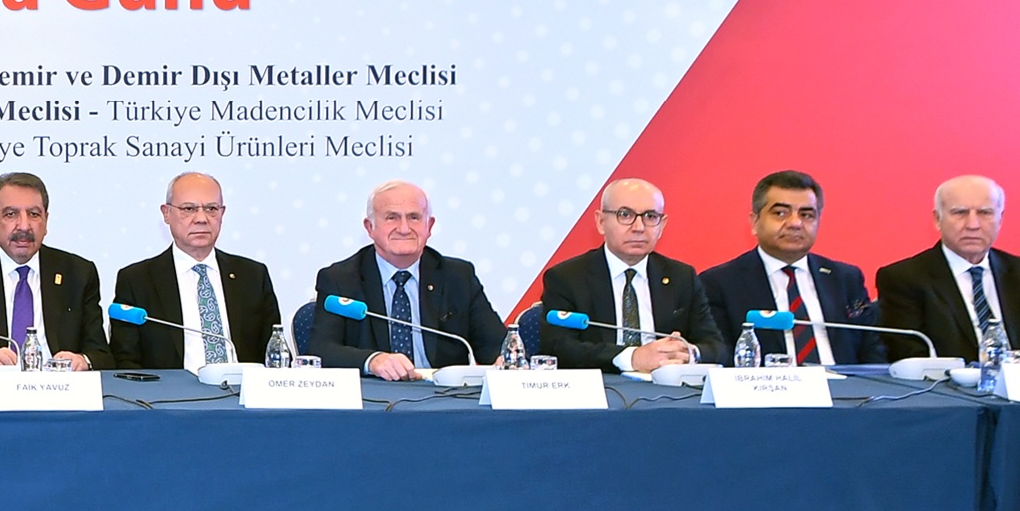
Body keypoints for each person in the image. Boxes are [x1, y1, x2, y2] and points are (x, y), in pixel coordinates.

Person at [309, 180, 507, 378]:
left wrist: (503, 360)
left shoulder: (458, 276)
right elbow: (321, 351)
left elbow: (496, 346)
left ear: (429, 226)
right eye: (392, 218)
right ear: (370, 227)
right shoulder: (340, 279)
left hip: (442, 393)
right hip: (373, 392)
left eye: (414, 217)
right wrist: (372, 360)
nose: (404, 229)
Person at [876, 175, 1020, 363]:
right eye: (960, 213)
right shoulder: (904, 278)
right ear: (937, 219)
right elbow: (910, 356)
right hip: (950, 388)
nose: (973, 225)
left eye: (985, 213)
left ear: (1000, 218)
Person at [0, 172, 109, 371]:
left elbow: (102, 355)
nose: (23, 226)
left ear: (46, 221)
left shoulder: (78, 273)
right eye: (11, 214)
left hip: (59, 387)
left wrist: (83, 360)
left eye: (34, 214)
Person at [538, 177, 722, 369]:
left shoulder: (681, 277)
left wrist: (688, 353)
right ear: (601, 221)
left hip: (666, 384)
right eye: (625, 215)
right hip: (605, 384)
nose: (639, 228)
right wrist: (632, 357)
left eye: (650, 216)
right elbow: (557, 348)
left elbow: (716, 347)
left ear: (662, 225)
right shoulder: (567, 277)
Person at [701, 170, 880, 365]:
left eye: (807, 215)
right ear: (754, 222)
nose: (795, 223)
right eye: (780, 213)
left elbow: (872, 350)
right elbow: (720, 355)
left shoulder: (845, 278)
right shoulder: (719, 283)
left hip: (843, 383)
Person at [109, 172, 280, 369]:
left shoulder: (252, 276)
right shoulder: (136, 281)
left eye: (211, 209)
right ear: (166, 213)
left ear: (222, 213)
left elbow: (274, 353)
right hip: (170, 388)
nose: (201, 219)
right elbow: (125, 361)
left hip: (242, 386)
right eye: (188, 209)